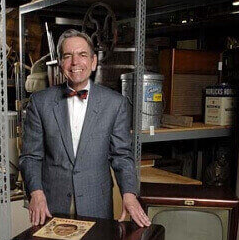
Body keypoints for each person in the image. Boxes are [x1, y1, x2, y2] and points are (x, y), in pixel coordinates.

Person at [19, 29, 150, 228]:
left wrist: (129, 194)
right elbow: (30, 156)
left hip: (95, 202)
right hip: (50, 203)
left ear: (94, 61)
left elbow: (121, 155)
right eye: (68, 56)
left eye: (82, 55)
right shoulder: (40, 102)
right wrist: (35, 192)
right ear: (60, 63)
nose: (75, 63)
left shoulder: (115, 103)